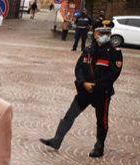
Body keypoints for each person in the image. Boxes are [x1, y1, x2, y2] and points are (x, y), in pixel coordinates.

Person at [40, 27, 123, 157]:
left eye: (107, 33)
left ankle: (99, 147)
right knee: (69, 115)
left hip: (102, 93)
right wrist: (83, 82)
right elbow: (79, 68)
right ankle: (57, 140)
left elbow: (114, 73)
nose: (105, 35)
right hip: (85, 91)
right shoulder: (88, 50)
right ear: (95, 34)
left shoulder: (114, 52)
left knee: (102, 121)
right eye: (101, 33)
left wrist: (95, 86)